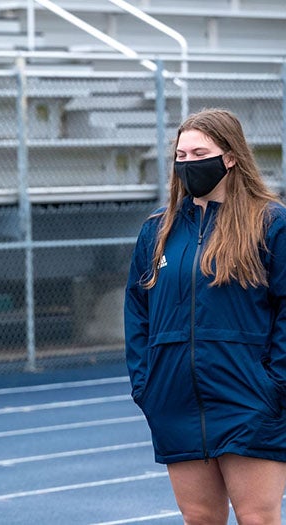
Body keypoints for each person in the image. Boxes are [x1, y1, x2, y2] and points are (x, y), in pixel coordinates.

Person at [124, 108, 286, 524]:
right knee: (199, 518)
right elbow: (138, 314)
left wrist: (275, 383)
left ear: (230, 157)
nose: (188, 163)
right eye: (181, 154)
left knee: (257, 517)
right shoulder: (156, 231)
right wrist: (148, 385)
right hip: (175, 399)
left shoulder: (270, 223)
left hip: (250, 398)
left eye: (200, 152)